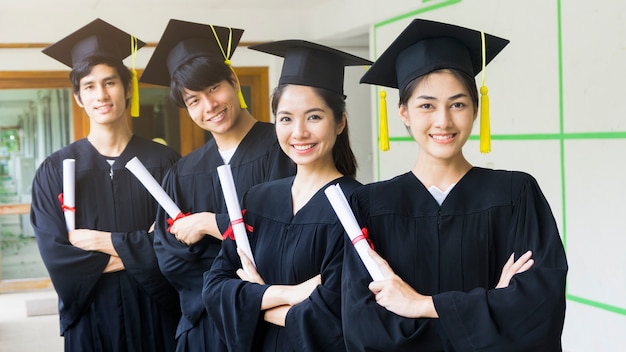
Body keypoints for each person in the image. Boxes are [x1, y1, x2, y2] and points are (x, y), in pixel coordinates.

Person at [341, 18, 568, 351]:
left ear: (476, 109)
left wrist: (421, 305)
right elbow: (364, 330)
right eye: (426, 106)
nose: (443, 121)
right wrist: (490, 306)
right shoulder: (369, 207)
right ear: (403, 112)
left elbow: (537, 312)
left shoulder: (516, 196)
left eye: (457, 104)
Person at [202, 40, 370, 351]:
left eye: (314, 117)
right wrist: (287, 295)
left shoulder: (359, 205)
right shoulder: (257, 200)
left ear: (340, 122)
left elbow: (340, 311)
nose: (299, 132)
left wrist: (256, 299)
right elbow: (215, 288)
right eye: (286, 118)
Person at [139, 19, 296, 351]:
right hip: (206, 325)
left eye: (214, 88)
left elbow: (293, 230)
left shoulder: (284, 147)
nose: (209, 106)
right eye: (193, 100)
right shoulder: (183, 172)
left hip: (274, 322)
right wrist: (226, 291)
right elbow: (169, 256)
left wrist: (211, 224)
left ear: (234, 81)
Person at [30, 18, 181, 351]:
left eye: (110, 82)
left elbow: (179, 248)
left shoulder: (166, 163)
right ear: (79, 98)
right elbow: (58, 256)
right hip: (90, 318)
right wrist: (144, 246)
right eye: (89, 86)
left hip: (157, 317)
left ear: (128, 88)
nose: (101, 94)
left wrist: (102, 242)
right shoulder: (54, 170)